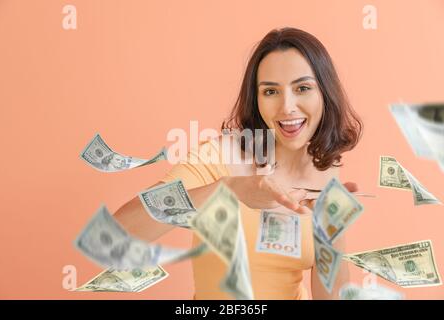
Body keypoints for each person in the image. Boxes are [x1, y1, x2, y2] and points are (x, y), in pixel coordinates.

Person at [113, 27, 362, 299]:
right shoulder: (219, 157)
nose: (287, 106)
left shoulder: (327, 172)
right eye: (270, 91)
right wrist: (228, 190)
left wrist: (332, 232)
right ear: (256, 100)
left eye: (302, 88)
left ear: (324, 94)